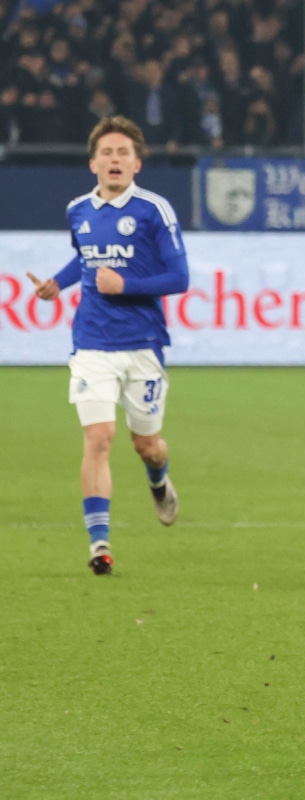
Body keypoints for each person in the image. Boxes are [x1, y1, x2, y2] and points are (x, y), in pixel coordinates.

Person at [26, 115, 189, 575]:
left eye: (123, 153)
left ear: (137, 164)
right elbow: (85, 258)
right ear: (93, 162)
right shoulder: (78, 209)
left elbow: (180, 278)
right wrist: (58, 283)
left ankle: (158, 480)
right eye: (107, 153)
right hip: (92, 342)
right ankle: (100, 545)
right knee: (99, 438)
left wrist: (126, 286)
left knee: (147, 444)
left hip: (142, 345)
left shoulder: (155, 210)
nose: (114, 160)